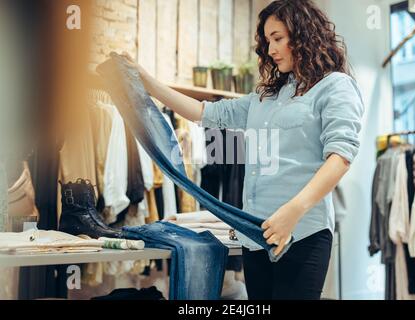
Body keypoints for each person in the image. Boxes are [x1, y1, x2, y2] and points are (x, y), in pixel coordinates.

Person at [122, 0, 364, 300]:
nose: (271, 49)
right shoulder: (266, 97)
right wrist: (146, 81)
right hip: (254, 236)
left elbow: (340, 157)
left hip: (302, 233)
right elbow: (204, 112)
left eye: (278, 38)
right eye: (267, 41)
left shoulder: (335, 87)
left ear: (303, 35)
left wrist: (293, 211)